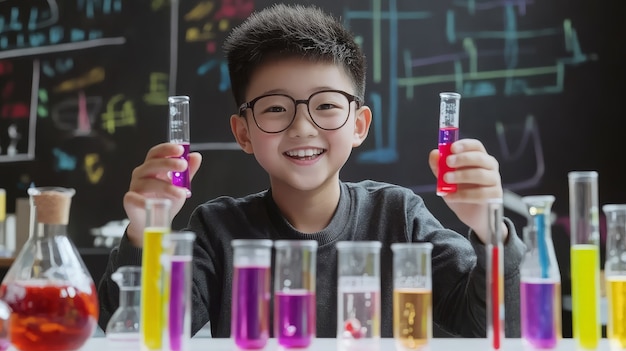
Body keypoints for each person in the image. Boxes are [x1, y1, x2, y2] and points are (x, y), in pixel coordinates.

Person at [97, 3, 525, 339]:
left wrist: (490, 230)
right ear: (243, 133)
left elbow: (490, 324)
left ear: (359, 125)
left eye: (325, 105)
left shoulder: (399, 216)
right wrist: (146, 233)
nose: (303, 127)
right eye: (277, 108)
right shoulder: (217, 229)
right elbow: (137, 330)